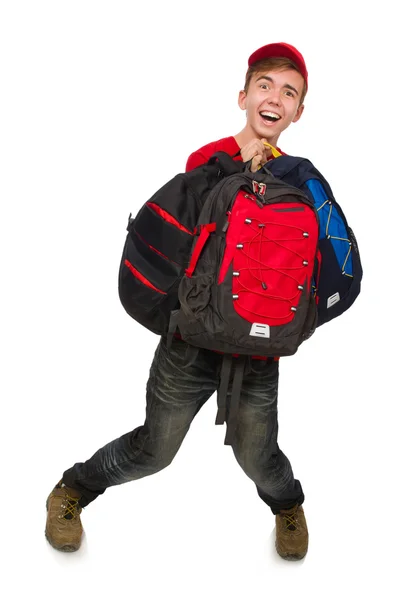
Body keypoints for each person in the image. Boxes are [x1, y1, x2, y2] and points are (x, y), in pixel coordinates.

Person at [46, 42, 310, 561]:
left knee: (258, 456)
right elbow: (185, 244)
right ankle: (72, 490)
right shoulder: (206, 160)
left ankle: (287, 506)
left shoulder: (298, 179)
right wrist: (240, 175)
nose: (274, 98)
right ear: (243, 96)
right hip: (189, 343)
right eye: (264, 86)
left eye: (289, 92)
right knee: (154, 450)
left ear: (299, 111)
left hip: (257, 351)